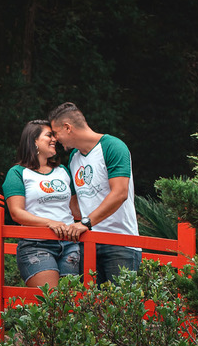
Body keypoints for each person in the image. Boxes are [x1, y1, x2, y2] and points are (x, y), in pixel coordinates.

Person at [47, 102, 140, 284]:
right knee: (90, 309)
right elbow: (73, 203)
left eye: (56, 133)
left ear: (68, 128)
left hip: (120, 243)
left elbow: (120, 193)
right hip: (88, 242)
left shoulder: (112, 146)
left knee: (122, 309)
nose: (56, 139)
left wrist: (86, 222)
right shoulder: (74, 158)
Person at [2, 119, 83, 289]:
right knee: (50, 303)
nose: (54, 139)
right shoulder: (18, 173)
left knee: (71, 306)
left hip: (69, 243)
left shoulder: (63, 171)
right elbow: (16, 212)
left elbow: (75, 208)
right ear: (33, 141)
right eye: (49, 135)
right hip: (36, 245)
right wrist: (50, 223)